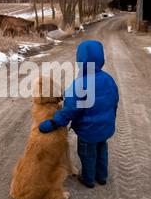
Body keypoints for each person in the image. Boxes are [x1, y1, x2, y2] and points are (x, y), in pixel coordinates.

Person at [39, 40, 119, 189]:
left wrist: (54, 123)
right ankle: (102, 177)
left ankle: (88, 179)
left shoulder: (79, 85)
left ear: (80, 61)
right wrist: (111, 118)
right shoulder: (109, 79)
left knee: (88, 154)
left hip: (88, 131)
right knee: (102, 150)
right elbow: (115, 101)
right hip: (105, 128)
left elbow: (69, 110)